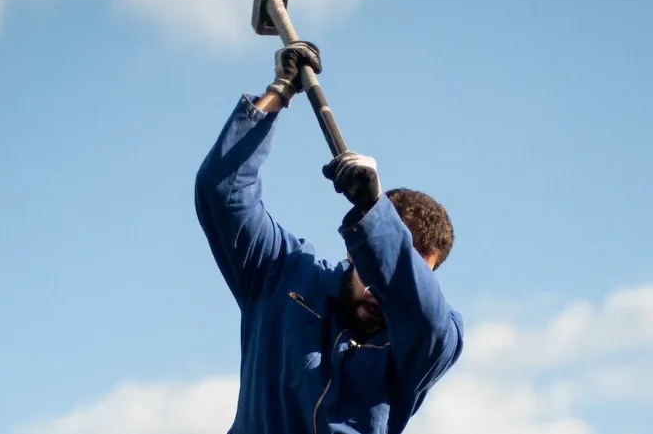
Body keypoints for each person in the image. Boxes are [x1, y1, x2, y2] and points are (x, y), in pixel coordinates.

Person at [194, 40, 464, 434]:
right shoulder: (282, 276)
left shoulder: (431, 343)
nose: (380, 292)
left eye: (402, 274)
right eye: (376, 271)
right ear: (354, 252)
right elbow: (223, 192)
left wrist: (375, 216)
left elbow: (424, 312)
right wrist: (280, 91)